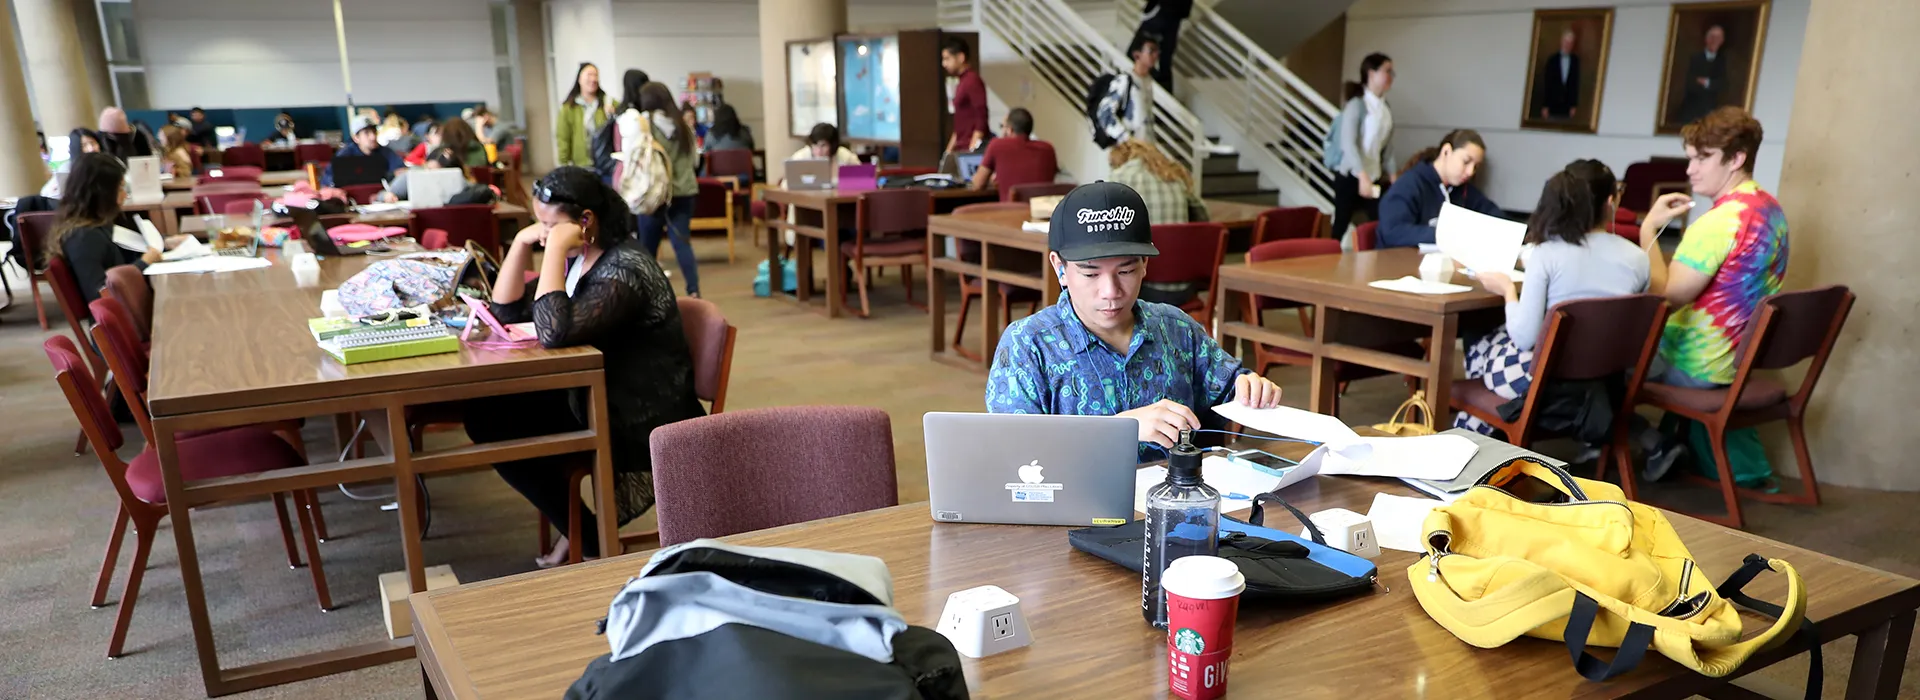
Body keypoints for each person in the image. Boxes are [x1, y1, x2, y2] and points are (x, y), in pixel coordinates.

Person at [465, 166, 704, 567]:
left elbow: (553, 332)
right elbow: (505, 309)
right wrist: (523, 244)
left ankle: (589, 539)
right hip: (595, 390)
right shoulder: (585, 257)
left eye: (550, 225)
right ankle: (582, 531)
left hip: (637, 409)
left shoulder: (624, 269)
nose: (544, 233)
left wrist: (555, 250)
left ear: (585, 221)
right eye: (538, 223)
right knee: (487, 413)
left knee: (496, 422)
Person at [985, 181, 1282, 459]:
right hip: (1075, 510)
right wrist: (1120, 430)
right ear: (1060, 268)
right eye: (1090, 274)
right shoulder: (1028, 345)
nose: (1111, 292)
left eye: (1125, 271)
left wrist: (1251, 387)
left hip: (1177, 505)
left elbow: (1230, 385)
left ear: (1145, 265)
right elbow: (1014, 453)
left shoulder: (1176, 329)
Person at [1634, 107, 1785, 483]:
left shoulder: (1719, 222)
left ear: (1736, 158)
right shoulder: (1772, 211)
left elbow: (1665, 296)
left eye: (1702, 158)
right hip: (1738, 358)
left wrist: (1648, 229)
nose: (1690, 169)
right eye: (1690, 158)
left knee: (1598, 356)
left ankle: (1646, 445)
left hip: (1699, 364)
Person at [1455, 160, 1654, 437]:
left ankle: (1480, 433)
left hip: (1545, 379)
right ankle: (1489, 430)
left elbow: (1525, 338)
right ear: (1611, 201)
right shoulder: (1638, 259)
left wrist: (1508, 290)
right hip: (1607, 377)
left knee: (1481, 342)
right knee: (1496, 340)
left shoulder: (1546, 255)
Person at [47, 153, 189, 303]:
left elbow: (129, 247)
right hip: (126, 313)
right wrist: (144, 263)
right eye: (121, 188)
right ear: (102, 193)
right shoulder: (83, 237)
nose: (125, 195)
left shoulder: (97, 223)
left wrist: (165, 242)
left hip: (133, 302)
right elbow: (101, 293)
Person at [1375, 129, 1503, 249]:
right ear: (1446, 151)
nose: (1470, 172)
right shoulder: (1410, 184)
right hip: (1397, 264)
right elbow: (1393, 231)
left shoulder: (1461, 189)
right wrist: (1449, 234)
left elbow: (1493, 213)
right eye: (1466, 161)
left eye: (1476, 167)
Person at [632, 81, 701, 298]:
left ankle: (648, 294)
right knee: (682, 243)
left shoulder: (645, 125)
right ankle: (693, 290)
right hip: (685, 192)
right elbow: (695, 160)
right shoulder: (684, 125)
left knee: (648, 247)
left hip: (656, 194)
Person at [1330, 53, 1395, 241]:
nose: (1390, 77)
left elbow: (1387, 147)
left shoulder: (1384, 108)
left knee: (1381, 221)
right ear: (1371, 73)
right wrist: (1362, 175)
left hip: (1373, 175)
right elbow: (1348, 144)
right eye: (1387, 71)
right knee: (1341, 223)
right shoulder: (1357, 104)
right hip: (1351, 175)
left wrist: (1393, 176)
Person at [1106, 140, 1205, 226]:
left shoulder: (1117, 177)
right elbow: (1202, 216)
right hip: (1176, 246)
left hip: (1140, 247)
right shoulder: (1175, 176)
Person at [972, 107, 1058, 200]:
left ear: (1010, 130)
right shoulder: (1048, 149)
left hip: (1011, 212)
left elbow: (978, 184)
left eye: (1003, 126)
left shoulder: (997, 145)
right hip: (1041, 213)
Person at [378, 147, 495, 205]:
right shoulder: (411, 176)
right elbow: (380, 195)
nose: (431, 176)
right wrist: (386, 196)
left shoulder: (466, 186)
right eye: (428, 170)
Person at [556, 62, 615, 168]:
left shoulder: (608, 102)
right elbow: (563, 138)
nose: (593, 79)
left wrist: (612, 114)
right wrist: (564, 164)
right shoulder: (569, 108)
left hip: (605, 164)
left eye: (596, 75)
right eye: (589, 75)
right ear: (579, 79)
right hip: (581, 164)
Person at [321, 116, 405, 186]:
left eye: (374, 132)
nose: (373, 137)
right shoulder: (344, 155)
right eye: (367, 133)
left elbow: (401, 172)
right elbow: (328, 180)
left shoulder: (386, 152)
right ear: (356, 138)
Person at [942, 37, 989, 155]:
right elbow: (960, 124)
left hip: (970, 149)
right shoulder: (962, 82)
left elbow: (981, 116)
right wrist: (948, 151)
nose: (944, 64)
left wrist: (973, 148)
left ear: (961, 57)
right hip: (961, 148)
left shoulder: (972, 81)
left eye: (947, 59)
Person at [1132, 0, 1191, 91]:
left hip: (1168, 16)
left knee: (1162, 59)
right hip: (1166, 17)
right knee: (1160, 59)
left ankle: (1161, 94)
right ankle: (1160, 94)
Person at [1677, 25, 1729, 126]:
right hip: (1692, 109)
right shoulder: (1694, 58)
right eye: (1712, 37)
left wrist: (1706, 82)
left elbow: (1724, 85)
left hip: (1712, 111)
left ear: (1722, 41)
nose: (1714, 41)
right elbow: (1689, 82)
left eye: (1718, 38)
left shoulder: (1723, 61)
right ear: (1706, 39)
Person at [1122, 33, 1161, 143]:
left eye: (1157, 52)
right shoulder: (1126, 80)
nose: (1155, 55)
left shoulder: (1148, 81)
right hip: (1130, 144)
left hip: (1146, 142)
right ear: (1137, 55)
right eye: (1151, 51)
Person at [1535, 30, 1581, 120]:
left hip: (1567, 105)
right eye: (1566, 42)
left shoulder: (1575, 61)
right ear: (1562, 42)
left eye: (1570, 43)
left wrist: (1573, 105)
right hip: (1552, 103)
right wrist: (1545, 105)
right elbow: (1547, 84)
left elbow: (1575, 83)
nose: (1568, 45)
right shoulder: (1552, 60)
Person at [787, 122, 860, 166]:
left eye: (823, 146)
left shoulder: (845, 156)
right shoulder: (800, 158)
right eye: (815, 145)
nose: (818, 151)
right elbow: (785, 184)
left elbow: (862, 178)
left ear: (833, 145)